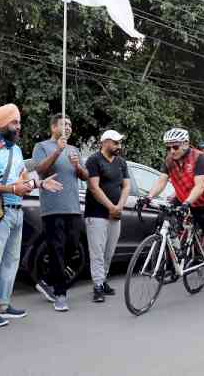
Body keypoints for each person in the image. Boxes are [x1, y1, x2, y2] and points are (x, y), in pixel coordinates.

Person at [0, 104, 62, 328]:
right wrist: (12, 190)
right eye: (14, 122)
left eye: (18, 122)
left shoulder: (15, 150)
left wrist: (40, 183)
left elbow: (24, 177)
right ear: (1, 124)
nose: (18, 126)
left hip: (17, 210)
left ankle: (3, 304)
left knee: (11, 261)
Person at [147, 128, 204, 298]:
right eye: (168, 148)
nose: (171, 151)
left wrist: (187, 203)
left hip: (203, 203)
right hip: (183, 199)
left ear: (186, 144)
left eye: (174, 147)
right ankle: (175, 257)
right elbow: (161, 180)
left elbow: (199, 186)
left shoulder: (199, 158)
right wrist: (148, 197)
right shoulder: (169, 160)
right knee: (162, 218)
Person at [33, 114, 89, 311]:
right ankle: (60, 294)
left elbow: (85, 176)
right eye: (64, 124)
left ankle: (47, 280)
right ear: (53, 127)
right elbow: (40, 169)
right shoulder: (42, 147)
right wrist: (58, 150)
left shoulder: (74, 149)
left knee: (73, 246)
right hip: (52, 207)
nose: (68, 127)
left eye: (70, 124)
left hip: (73, 206)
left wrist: (77, 166)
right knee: (56, 248)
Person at [84, 130, 130, 303]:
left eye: (119, 142)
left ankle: (103, 281)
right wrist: (110, 206)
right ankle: (97, 286)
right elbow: (94, 187)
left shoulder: (121, 163)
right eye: (116, 142)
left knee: (109, 252)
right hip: (97, 213)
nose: (119, 146)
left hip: (115, 214)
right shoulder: (94, 160)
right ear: (105, 142)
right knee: (97, 252)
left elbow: (126, 187)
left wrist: (119, 207)